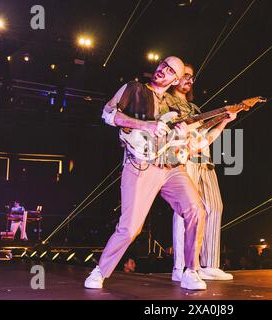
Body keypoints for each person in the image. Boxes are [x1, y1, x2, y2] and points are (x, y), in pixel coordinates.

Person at [84, 56, 208, 291]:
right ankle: (100, 271)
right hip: (140, 165)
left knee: (197, 210)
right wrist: (146, 125)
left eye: (171, 70)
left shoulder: (174, 104)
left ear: (175, 80)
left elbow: (189, 143)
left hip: (172, 167)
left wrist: (189, 132)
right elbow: (108, 115)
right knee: (130, 228)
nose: (164, 70)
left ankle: (191, 270)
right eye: (163, 65)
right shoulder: (134, 89)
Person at [167, 63, 234, 281]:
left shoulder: (196, 109)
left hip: (205, 160)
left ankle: (208, 264)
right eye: (185, 75)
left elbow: (206, 137)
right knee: (186, 211)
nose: (189, 80)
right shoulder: (166, 102)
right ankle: (180, 267)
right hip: (184, 159)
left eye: (191, 77)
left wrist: (224, 121)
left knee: (214, 207)